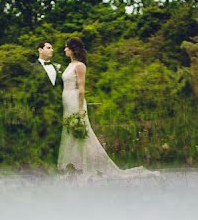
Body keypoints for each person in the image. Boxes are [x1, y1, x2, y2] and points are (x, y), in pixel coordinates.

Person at [57, 37, 158, 178]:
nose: (64, 49)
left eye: (66, 47)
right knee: (70, 134)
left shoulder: (80, 66)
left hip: (75, 101)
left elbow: (81, 88)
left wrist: (80, 109)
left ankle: (86, 167)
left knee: (82, 135)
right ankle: (74, 166)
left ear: (73, 49)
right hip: (67, 101)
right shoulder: (69, 65)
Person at [28, 40, 63, 168]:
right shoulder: (32, 68)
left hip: (58, 110)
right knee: (41, 140)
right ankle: (41, 168)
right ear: (40, 50)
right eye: (48, 48)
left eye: (52, 48)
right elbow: (30, 91)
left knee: (57, 140)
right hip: (40, 112)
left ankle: (56, 166)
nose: (52, 50)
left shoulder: (57, 67)